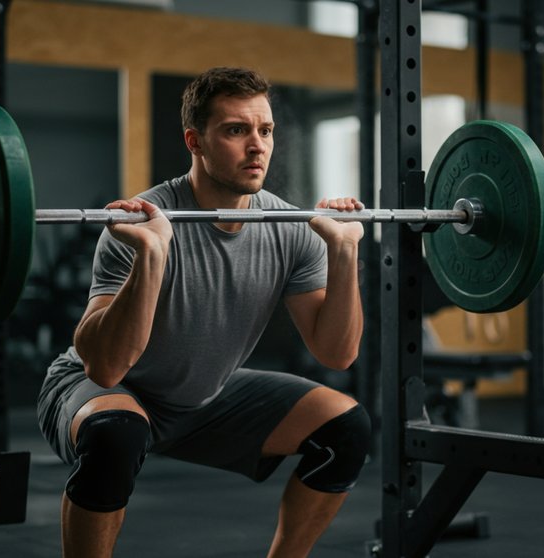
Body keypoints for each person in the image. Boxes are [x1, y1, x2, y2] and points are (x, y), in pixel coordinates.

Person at [37, 66, 371, 558]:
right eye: (236, 130)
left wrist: (344, 252)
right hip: (104, 389)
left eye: (266, 130)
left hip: (204, 395)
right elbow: (106, 367)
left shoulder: (292, 229)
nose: (257, 145)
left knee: (346, 427)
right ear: (195, 140)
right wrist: (153, 256)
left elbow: (336, 353)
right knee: (116, 436)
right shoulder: (140, 223)